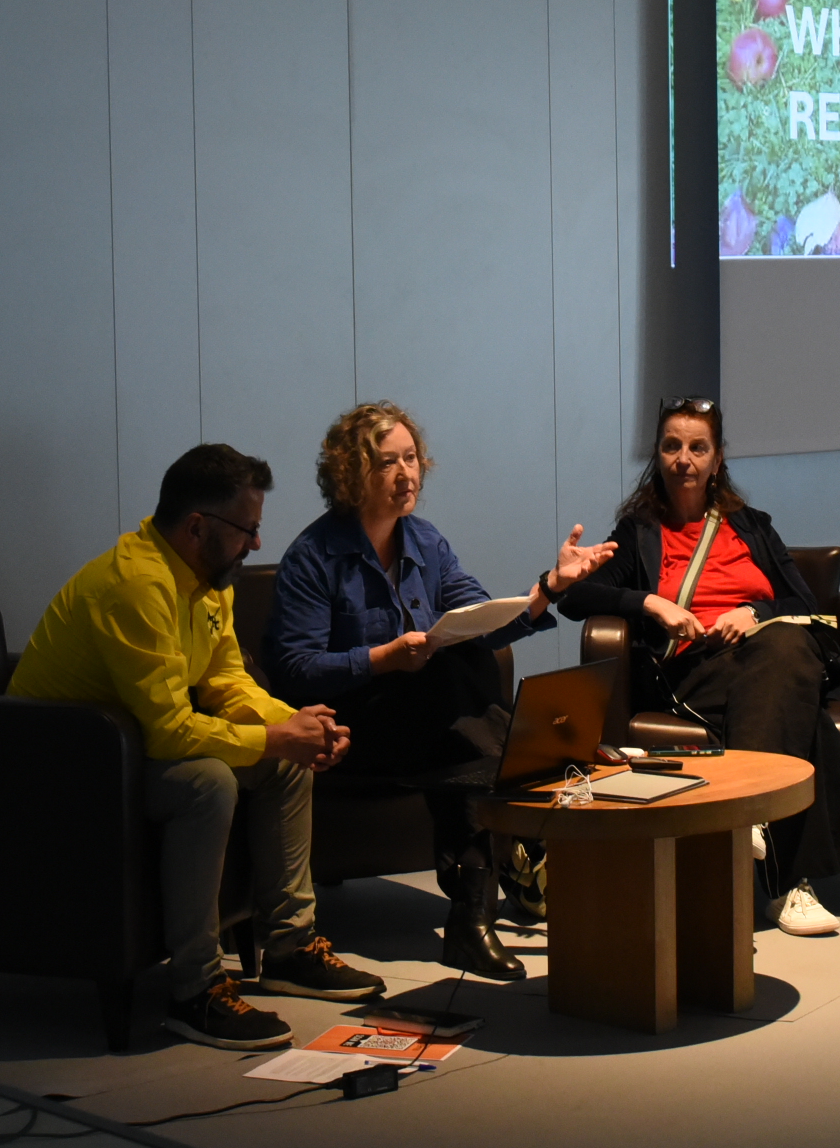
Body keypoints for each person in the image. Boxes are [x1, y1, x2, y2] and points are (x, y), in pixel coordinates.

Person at [7, 443, 385, 1050]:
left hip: (127, 750)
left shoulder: (206, 578)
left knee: (285, 765)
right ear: (196, 526)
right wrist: (275, 736)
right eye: (248, 530)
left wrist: (295, 726)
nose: (257, 544)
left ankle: (288, 947)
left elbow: (227, 681)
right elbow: (169, 731)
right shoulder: (135, 586)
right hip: (64, 766)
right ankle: (194, 990)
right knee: (208, 781)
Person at [262, 402, 616, 978]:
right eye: (387, 463)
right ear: (352, 474)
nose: (407, 474)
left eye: (411, 458)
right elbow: (292, 670)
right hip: (347, 731)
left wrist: (550, 587)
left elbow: (481, 618)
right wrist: (380, 659)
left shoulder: (425, 542)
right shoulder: (314, 556)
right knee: (453, 687)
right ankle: (541, 784)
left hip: (427, 723)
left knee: (461, 672)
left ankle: (470, 922)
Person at [557, 397, 840, 937]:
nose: (684, 459)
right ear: (657, 455)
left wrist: (755, 611)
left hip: (767, 652)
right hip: (696, 670)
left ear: (717, 460)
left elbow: (811, 606)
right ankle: (790, 884)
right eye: (672, 446)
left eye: (698, 447)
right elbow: (576, 599)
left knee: (785, 649)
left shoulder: (753, 527)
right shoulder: (640, 530)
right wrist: (651, 604)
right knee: (797, 699)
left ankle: (750, 817)